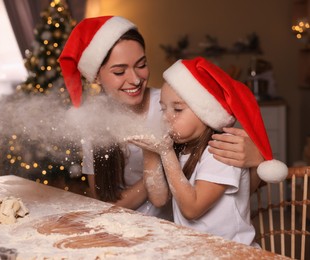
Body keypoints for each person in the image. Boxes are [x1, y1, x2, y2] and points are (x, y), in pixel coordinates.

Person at [59, 16, 265, 220]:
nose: (135, 79)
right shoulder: (92, 122)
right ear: (96, 76)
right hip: (124, 226)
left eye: (141, 65)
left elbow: (236, 180)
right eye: (120, 71)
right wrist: (157, 166)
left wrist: (257, 157)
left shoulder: (176, 103)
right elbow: (103, 204)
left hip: (177, 230)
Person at [127, 57, 287, 245]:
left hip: (232, 253)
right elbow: (158, 197)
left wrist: (165, 153)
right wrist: (151, 151)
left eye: (177, 109)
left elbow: (192, 208)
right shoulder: (180, 147)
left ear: (205, 113)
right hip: (196, 250)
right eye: (163, 109)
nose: (166, 118)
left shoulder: (220, 150)